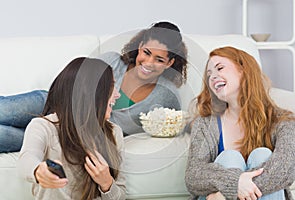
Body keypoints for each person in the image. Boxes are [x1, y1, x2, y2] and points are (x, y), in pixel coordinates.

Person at [0, 21, 188, 153]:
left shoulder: (165, 97)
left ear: (170, 63)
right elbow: (72, 86)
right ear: (139, 47)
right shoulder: (111, 61)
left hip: (67, 137)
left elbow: (171, 127)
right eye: (146, 53)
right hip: (52, 104)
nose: (148, 62)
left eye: (159, 59)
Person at [185, 46, 295, 200]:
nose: (212, 77)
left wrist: (225, 194)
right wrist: (235, 183)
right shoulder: (205, 123)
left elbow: (285, 170)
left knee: (262, 155)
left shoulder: (285, 122)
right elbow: (193, 176)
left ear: (244, 70)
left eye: (219, 68)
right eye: (209, 74)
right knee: (229, 158)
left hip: (221, 197)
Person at [17, 57, 126, 200]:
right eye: (111, 87)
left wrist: (106, 183)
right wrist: (38, 171)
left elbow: (121, 194)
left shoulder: (113, 132)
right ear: (91, 92)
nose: (117, 95)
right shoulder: (44, 126)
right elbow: (27, 157)